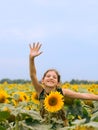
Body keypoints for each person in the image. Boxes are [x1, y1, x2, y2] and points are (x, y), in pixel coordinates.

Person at [29, 42, 98, 126]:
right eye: (48, 76)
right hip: (45, 126)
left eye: (54, 77)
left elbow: (83, 95)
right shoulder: (40, 91)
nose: (51, 78)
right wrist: (31, 59)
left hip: (62, 126)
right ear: (42, 80)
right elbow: (33, 75)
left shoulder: (62, 92)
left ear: (58, 83)